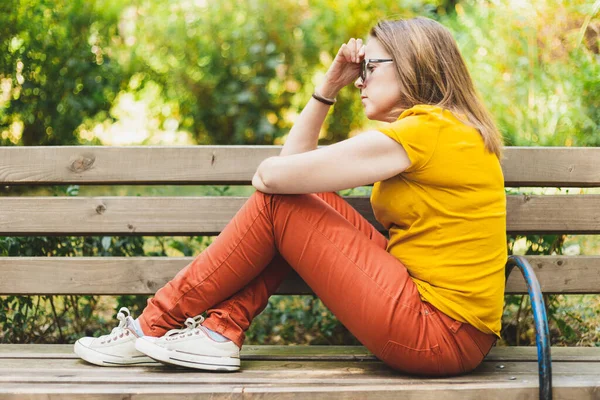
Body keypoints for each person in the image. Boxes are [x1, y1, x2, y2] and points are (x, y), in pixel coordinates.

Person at [74, 16, 506, 377]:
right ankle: (218, 333)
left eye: (368, 67)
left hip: (438, 332)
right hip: (449, 327)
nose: (360, 81)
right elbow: (291, 175)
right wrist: (328, 87)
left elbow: (271, 178)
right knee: (301, 200)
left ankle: (154, 323)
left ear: (412, 65)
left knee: (282, 203)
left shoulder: (425, 132)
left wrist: (327, 92)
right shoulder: (443, 129)